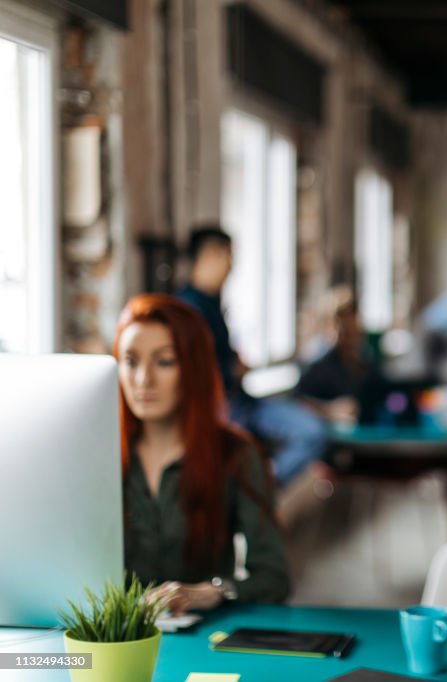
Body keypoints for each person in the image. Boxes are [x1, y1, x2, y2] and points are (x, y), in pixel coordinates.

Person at [113, 294, 290, 614]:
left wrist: (211, 592)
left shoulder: (235, 454)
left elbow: (273, 578)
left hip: (202, 636)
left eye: (164, 361)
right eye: (130, 361)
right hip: (113, 638)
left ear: (192, 368)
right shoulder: (100, 456)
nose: (143, 380)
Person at [177, 225, 329, 486]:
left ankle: (262, 491)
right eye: (229, 257)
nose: (232, 267)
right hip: (219, 410)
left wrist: (235, 362)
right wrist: (230, 370)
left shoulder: (212, 304)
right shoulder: (187, 309)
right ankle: (253, 495)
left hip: (242, 401)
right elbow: (191, 371)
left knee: (311, 432)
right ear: (211, 255)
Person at [296, 294, 379, 424]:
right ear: (333, 330)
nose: (352, 340)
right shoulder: (318, 367)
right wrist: (329, 410)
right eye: (346, 334)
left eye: (355, 333)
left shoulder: (368, 365)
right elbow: (297, 403)